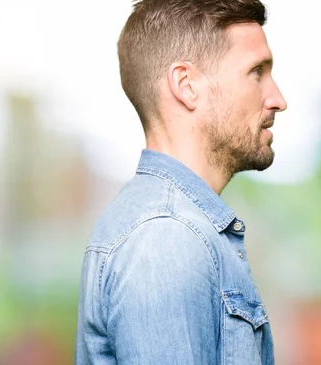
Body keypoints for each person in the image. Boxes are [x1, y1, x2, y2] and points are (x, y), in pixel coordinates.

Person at [75, 0, 287, 364]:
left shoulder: (177, 229)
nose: (278, 99)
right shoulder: (166, 238)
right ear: (186, 86)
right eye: (256, 72)